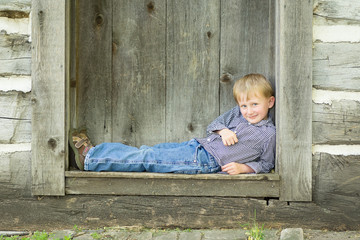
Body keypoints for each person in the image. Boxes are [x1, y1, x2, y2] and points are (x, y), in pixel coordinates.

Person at [70, 73, 276, 175]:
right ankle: (98, 153)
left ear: (270, 101)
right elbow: (214, 124)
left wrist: (243, 168)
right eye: (244, 105)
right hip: (196, 146)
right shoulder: (237, 115)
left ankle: (91, 157)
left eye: (255, 104)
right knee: (148, 151)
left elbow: (266, 164)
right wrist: (222, 130)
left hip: (205, 162)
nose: (249, 111)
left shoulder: (268, 135)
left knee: (148, 158)